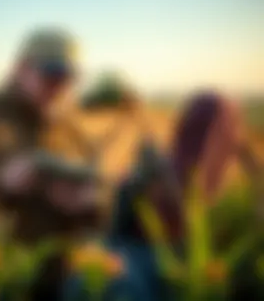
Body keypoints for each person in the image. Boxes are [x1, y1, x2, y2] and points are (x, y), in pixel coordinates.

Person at [0, 27, 114, 300]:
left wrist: (87, 206)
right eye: (52, 74)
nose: (61, 86)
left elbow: (96, 205)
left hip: (59, 278)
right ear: (21, 68)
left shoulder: (70, 129)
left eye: (70, 78)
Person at [64, 90, 263, 301]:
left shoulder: (218, 189)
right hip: (135, 264)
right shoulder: (162, 172)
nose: (233, 138)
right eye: (228, 130)